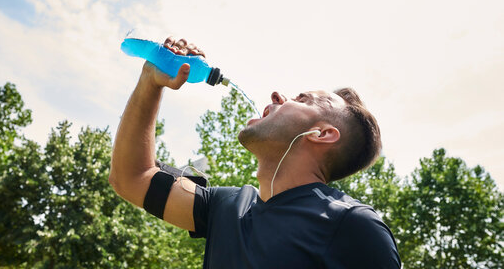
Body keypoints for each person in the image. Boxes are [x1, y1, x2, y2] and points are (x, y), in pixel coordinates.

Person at [109, 37, 401, 268]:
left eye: (303, 99)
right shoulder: (227, 206)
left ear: (322, 134)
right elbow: (133, 177)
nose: (277, 95)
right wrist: (150, 81)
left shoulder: (353, 226)